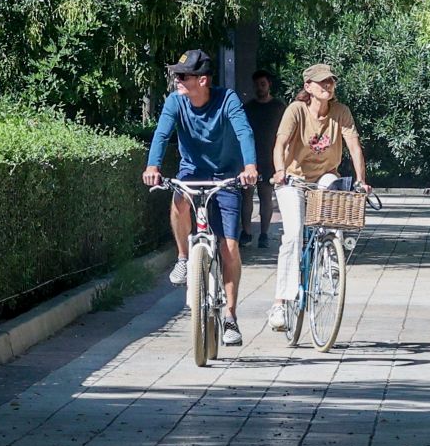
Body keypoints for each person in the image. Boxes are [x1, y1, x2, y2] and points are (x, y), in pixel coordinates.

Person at [142, 49, 258, 346]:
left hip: (226, 175)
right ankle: (183, 257)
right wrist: (153, 166)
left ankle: (230, 317)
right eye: (176, 75)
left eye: (183, 76)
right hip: (192, 172)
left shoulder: (227, 100)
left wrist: (249, 167)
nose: (177, 80)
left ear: (203, 80)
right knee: (179, 198)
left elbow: (244, 132)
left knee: (229, 247)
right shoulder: (175, 101)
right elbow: (161, 134)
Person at [266, 63, 372, 332]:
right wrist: (280, 171)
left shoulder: (341, 112)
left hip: (324, 175)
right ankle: (280, 303)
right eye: (322, 82)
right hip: (293, 178)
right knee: (293, 235)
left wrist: (361, 180)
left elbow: (354, 147)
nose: (328, 86)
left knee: (334, 195)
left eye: (331, 81)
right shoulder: (296, 110)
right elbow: (280, 144)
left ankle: (331, 253)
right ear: (308, 87)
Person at [240, 70, 286, 248]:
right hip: (250, 158)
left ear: (269, 85)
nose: (260, 88)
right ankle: (246, 232)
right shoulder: (248, 108)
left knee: (266, 196)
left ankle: (264, 234)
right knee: (247, 195)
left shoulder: (279, 107)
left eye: (263, 84)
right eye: (257, 85)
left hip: (270, 159)